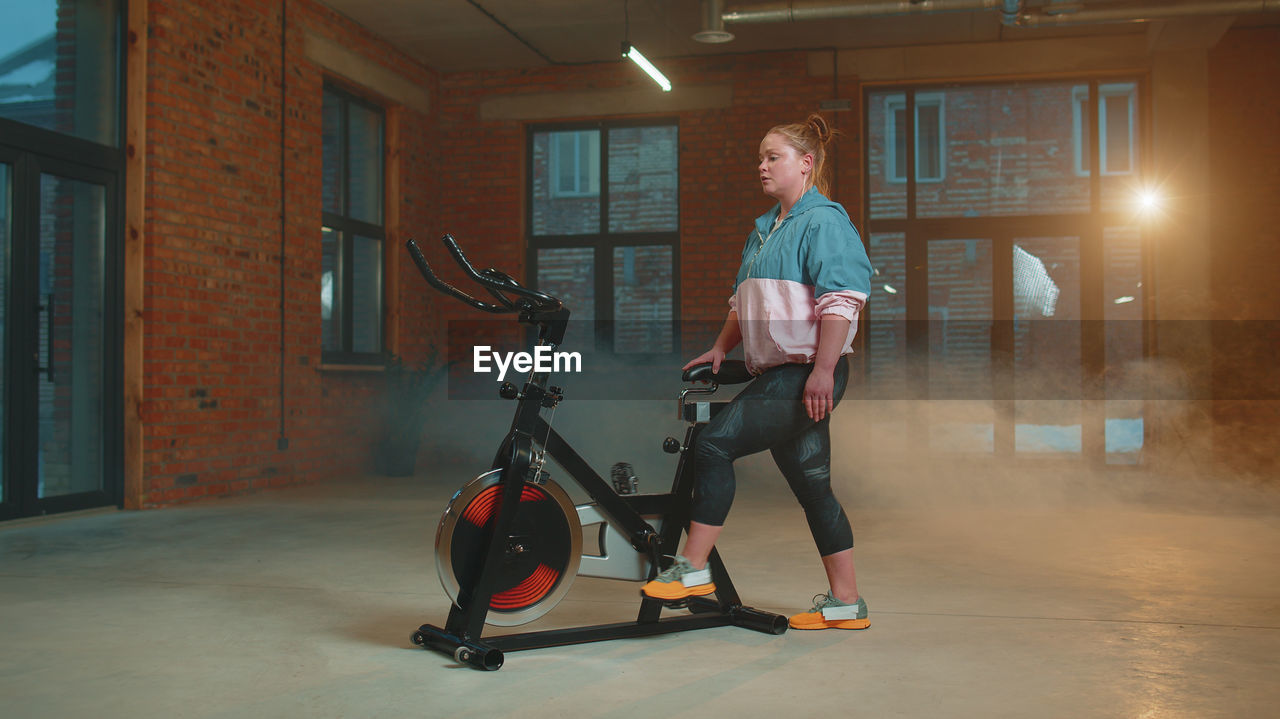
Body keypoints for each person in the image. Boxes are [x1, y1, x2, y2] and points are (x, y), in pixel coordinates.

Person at [641, 114, 873, 631]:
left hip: (806, 374)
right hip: (784, 372)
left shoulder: (825, 222)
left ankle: (692, 569)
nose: (762, 167)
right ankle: (846, 604)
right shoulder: (765, 229)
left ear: (806, 164)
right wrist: (721, 348)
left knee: (714, 444)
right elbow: (742, 302)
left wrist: (823, 371)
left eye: (774, 157)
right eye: (760, 159)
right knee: (815, 488)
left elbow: (842, 302)